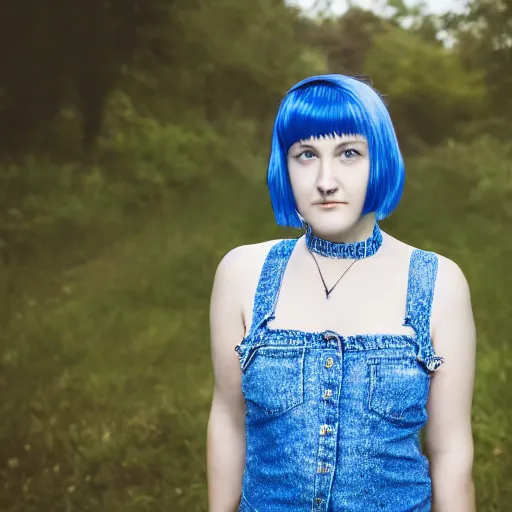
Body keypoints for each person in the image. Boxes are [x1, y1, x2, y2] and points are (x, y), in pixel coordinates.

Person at [206, 74, 476, 512]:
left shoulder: (438, 283)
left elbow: (451, 454)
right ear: (284, 165)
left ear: (379, 159)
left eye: (349, 153)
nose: (325, 180)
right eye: (306, 155)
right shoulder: (243, 275)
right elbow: (229, 421)